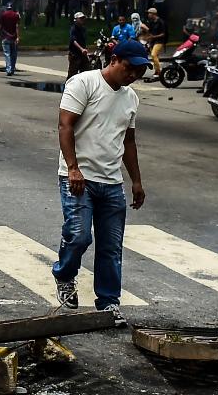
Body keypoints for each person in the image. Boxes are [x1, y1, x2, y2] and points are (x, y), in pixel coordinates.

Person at [52, 39, 147, 326]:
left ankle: (108, 304)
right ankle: (65, 275)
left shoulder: (131, 98)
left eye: (139, 72)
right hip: (79, 177)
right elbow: (64, 125)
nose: (132, 76)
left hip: (111, 182)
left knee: (111, 247)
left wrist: (137, 182)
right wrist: (73, 168)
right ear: (114, 59)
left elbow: (128, 141)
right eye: (129, 69)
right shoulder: (84, 83)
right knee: (79, 235)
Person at [0, 2, 21, 76]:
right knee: (13, 54)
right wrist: (18, 37)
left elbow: (1, 26)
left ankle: (8, 69)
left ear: (7, 8)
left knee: (7, 54)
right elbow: (17, 26)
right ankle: (12, 68)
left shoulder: (3, 15)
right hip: (14, 38)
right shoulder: (16, 15)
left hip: (5, 37)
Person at [68, 12, 90, 79]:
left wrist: (85, 49)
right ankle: (68, 88)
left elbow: (83, 41)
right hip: (75, 54)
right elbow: (74, 41)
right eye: (80, 18)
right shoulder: (73, 29)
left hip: (83, 54)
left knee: (85, 73)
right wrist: (81, 49)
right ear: (76, 19)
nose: (82, 19)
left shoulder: (83, 29)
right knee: (72, 75)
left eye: (83, 18)